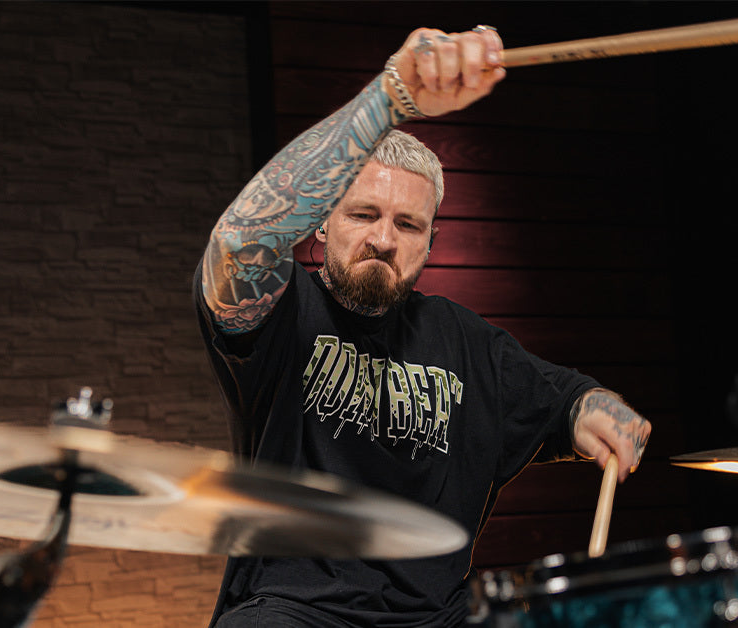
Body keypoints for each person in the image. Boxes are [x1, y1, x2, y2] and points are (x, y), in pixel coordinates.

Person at [194, 25, 651, 627]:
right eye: (363, 214)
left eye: (408, 225)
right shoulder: (283, 310)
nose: (384, 239)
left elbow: (567, 401)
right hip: (294, 611)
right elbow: (241, 242)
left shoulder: (466, 341)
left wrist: (598, 412)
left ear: (431, 242)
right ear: (321, 223)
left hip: (437, 617)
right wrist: (388, 97)